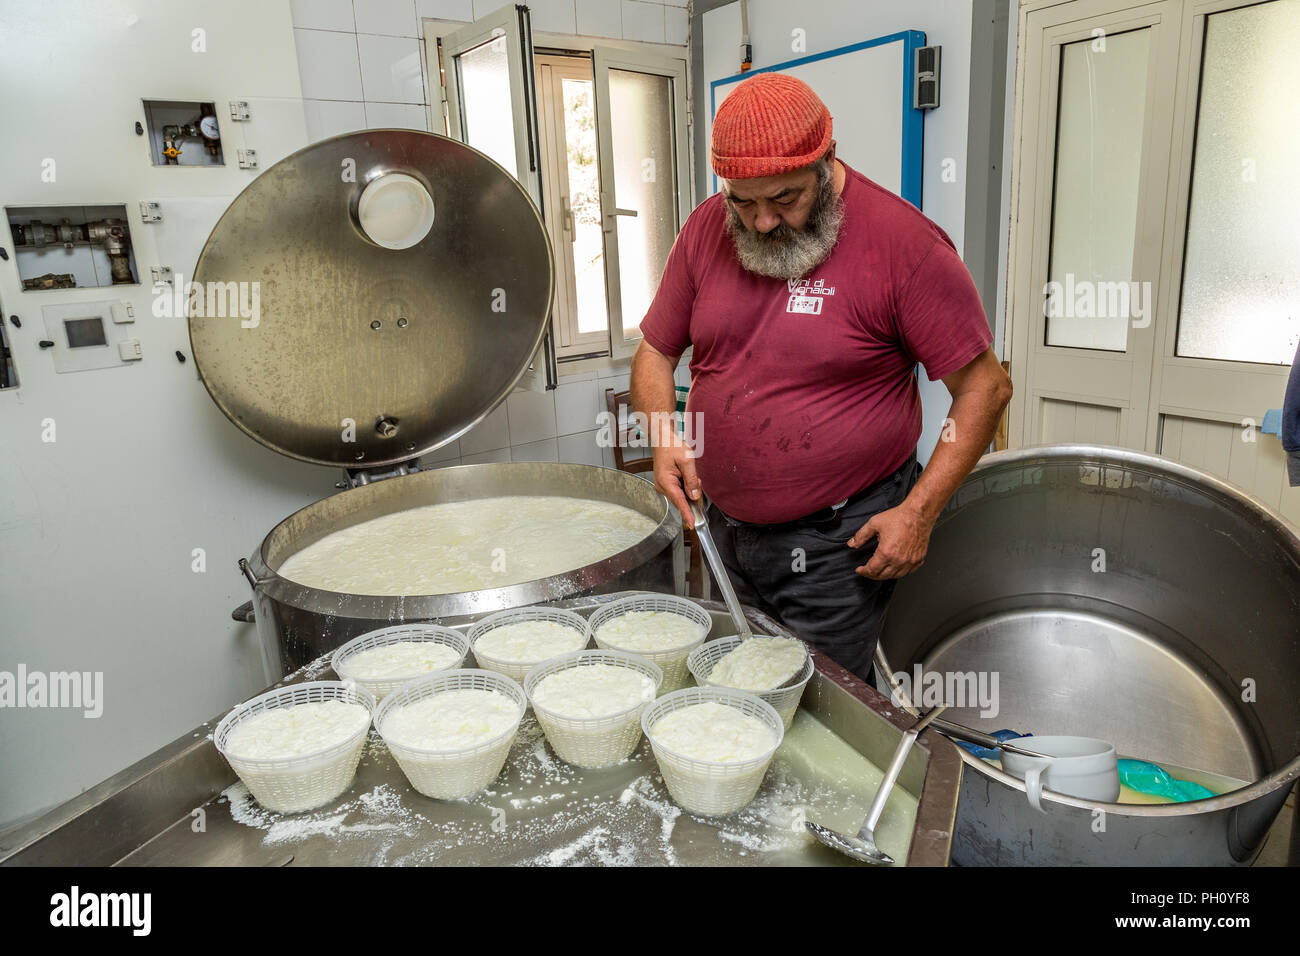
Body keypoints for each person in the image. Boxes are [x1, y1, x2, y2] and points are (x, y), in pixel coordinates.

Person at [630, 72, 1012, 683]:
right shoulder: (705, 229)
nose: (759, 223)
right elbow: (654, 353)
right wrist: (665, 437)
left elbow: (984, 390)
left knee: (821, 714)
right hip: (724, 530)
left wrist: (919, 512)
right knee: (739, 691)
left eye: (784, 200)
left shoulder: (904, 246)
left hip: (840, 548)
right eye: (743, 202)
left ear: (826, 163)